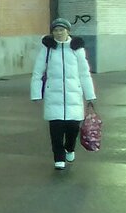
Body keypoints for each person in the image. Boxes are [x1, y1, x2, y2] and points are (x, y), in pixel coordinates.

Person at [29, 18, 96, 170]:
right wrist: (36, 94)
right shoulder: (48, 49)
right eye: (55, 30)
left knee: (73, 129)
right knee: (56, 130)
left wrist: (90, 95)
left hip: (74, 95)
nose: (58, 33)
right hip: (53, 95)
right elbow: (38, 72)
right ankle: (59, 158)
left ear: (68, 31)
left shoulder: (76, 48)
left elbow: (84, 73)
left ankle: (70, 148)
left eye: (61, 30)